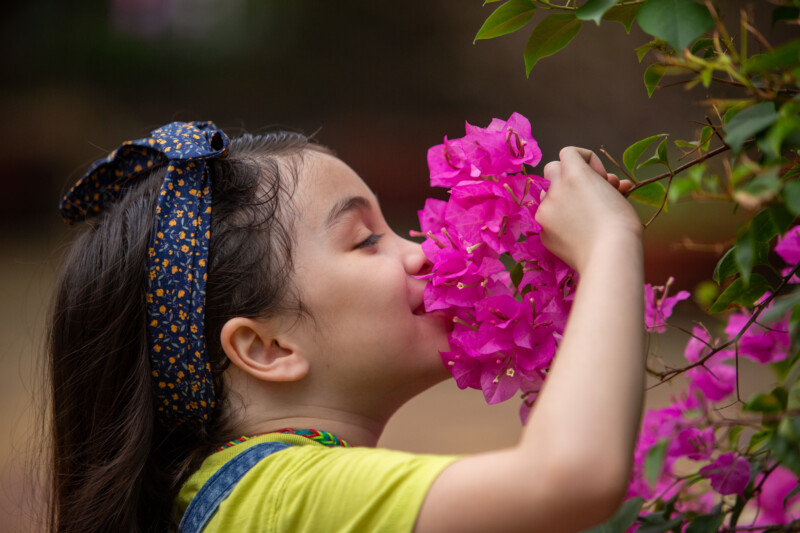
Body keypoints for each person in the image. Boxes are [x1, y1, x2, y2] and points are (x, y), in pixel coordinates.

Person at [47, 120, 644, 533]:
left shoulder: (253, 495)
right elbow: (573, 476)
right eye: (366, 240)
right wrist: (610, 245)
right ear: (267, 347)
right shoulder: (281, 497)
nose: (422, 253)